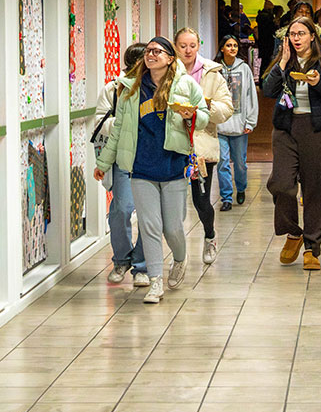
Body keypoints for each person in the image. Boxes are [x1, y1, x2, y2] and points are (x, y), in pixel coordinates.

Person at [95, 36, 209, 304]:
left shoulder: (185, 84)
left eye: (158, 51)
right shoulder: (131, 89)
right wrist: (103, 163)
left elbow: (203, 118)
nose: (151, 55)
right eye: (148, 51)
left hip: (172, 166)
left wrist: (191, 115)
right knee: (149, 225)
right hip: (141, 167)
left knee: (171, 228)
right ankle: (155, 281)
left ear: (170, 58)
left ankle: (179, 258)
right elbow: (119, 129)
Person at [262, 17, 321, 270]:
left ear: (313, 36)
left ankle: (312, 247)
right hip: (286, 128)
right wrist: (282, 64)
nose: (296, 38)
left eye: (301, 33)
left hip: (316, 130)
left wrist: (319, 82)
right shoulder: (283, 61)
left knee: (315, 189)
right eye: (292, 34)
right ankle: (293, 232)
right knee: (281, 183)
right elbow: (267, 90)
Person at [174, 27, 233, 265]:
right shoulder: (168, 72)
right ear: (175, 47)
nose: (188, 50)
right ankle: (177, 254)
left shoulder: (212, 74)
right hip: (174, 146)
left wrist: (204, 109)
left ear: (199, 45)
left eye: (192, 45)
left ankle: (210, 235)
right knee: (173, 204)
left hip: (202, 148)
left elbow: (227, 109)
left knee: (201, 200)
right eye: (182, 46)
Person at [93, 43, 149, 288]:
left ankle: (142, 265)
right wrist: (126, 124)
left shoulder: (157, 86)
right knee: (121, 209)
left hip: (150, 158)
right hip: (122, 157)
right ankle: (121, 259)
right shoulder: (113, 89)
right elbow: (100, 123)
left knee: (150, 215)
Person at [214, 35, 259, 211]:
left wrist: (250, 121)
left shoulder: (244, 68)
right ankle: (226, 197)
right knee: (222, 162)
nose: (232, 48)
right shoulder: (215, 69)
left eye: (234, 45)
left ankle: (241, 188)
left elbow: (250, 95)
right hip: (220, 124)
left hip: (239, 124)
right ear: (222, 48)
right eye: (228, 45)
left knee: (240, 163)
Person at [255, 1, 278, 80]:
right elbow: (272, 30)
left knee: (264, 63)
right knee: (266, 63)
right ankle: (264, 80)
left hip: (263, 43)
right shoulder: (267, 17)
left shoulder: (261, 16)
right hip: (267, 43)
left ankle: (262, 80)